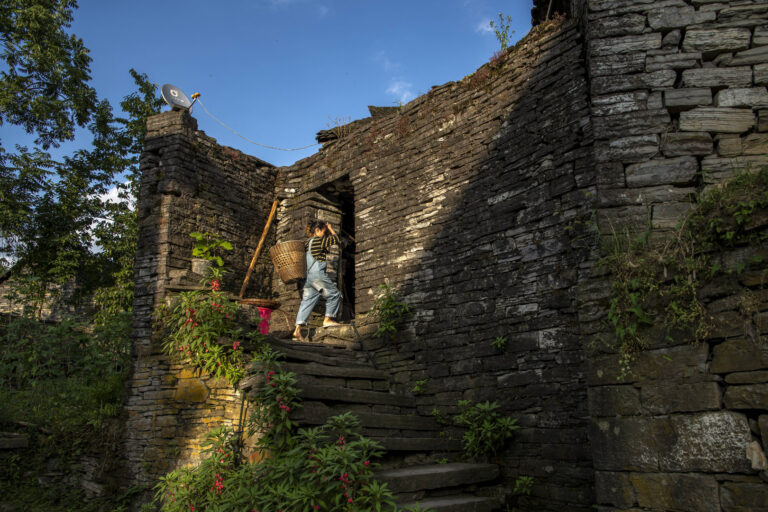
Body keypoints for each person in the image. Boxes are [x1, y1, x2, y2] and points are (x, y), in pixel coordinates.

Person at [292, 220, 342, 341]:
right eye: (323, 232)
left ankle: (297, 330)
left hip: (308, 278)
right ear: (317, 230)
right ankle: (328, 319)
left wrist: (325, 248)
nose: (324, 235)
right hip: (317, 274)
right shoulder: (317, 240)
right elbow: (336, 240)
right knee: (335, 294)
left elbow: (321, 250)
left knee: (308, 301)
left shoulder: (307, 243)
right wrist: (330, 228)